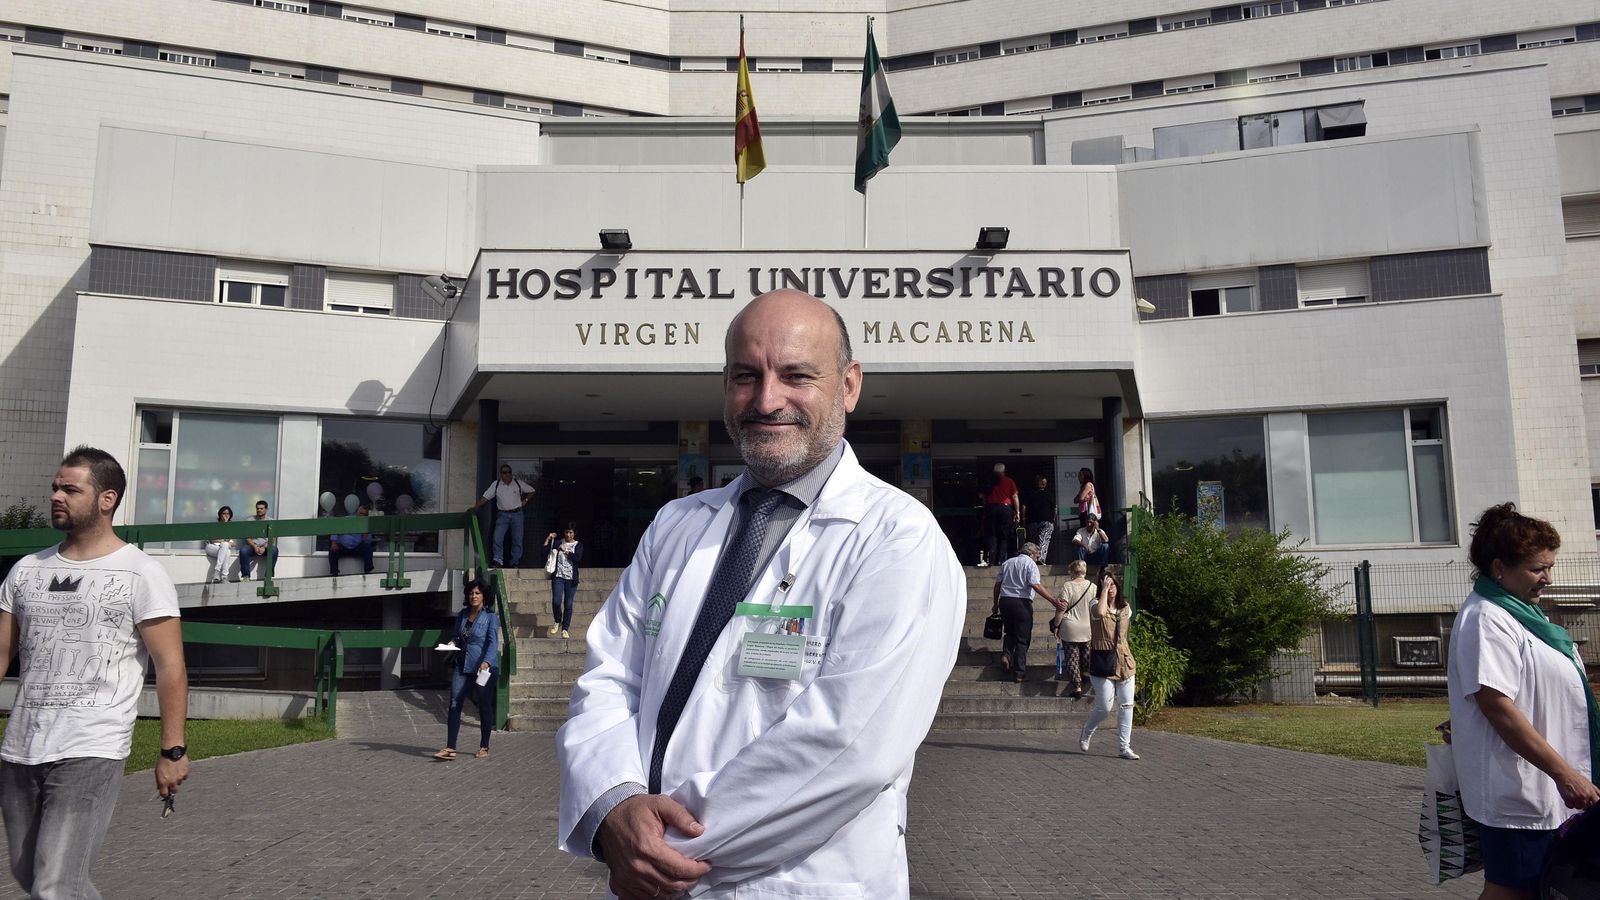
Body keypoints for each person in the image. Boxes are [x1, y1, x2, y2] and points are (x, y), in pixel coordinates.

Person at [556, 289, 965, 900]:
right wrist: (614, 806)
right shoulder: (675, 524)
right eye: (747, 376)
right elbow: (610, 677)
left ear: (849, 385)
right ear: (726, 384)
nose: (767, 399)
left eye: (797, 375)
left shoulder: (899, 539)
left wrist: (658, 849)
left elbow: (851, 748)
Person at [0, 446, 189, 898]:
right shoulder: (27, 570)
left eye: (70, 488)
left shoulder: (141, 573)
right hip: (22, 746)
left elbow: (170, 666)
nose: (56, 496)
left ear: (107, 499)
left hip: (92, 745)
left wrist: (173, 750)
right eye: (54, 488)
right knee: (31, 875)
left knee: (54, 884)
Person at [1445, 503, 1599, 899]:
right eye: (1537, 568)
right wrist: (1564, 774)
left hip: (1547, 789)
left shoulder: (1523, 614)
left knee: (1536, 888)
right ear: (1499, 567)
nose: (1547, 578)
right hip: (1523, 791)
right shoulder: (1487, 619)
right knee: (1511, 892)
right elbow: (1496, 704)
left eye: (1550, 566)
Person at [434, 578, 501, 761]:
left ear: (484, 596)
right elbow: (457, 636)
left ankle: (484, 746)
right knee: (455, 703)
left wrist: (486, 661)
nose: (474, 596)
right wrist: (452, 643)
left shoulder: (490, 617)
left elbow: (492, 642)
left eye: (477, 593)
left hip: (484, 669)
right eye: (471, 593)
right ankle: (450, 748)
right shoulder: (463, 615)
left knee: (484, 706)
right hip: (462, 665)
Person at [1080, 568, 1139, 760]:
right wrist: (1103, 590)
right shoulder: (1095, 604)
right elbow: (1100, 612)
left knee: (1127, 705)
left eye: (1112, 584)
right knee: (1105, 707)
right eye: (1107, 584)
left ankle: (1124, 747)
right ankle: (1088, 730)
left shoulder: (1125, 608)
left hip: (1125, 661)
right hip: (1103, 661)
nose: (1110, 587)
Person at [990, 542, 1061, 684]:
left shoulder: (1007, 563)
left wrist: (995, 603)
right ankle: (1019, 673)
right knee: (1023, 638)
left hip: (1005, 600)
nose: (1037, 558)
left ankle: (1007, 654)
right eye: (1037, 555)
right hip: (1022, 603)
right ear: (1031, 554)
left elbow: (997, 584)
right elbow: (1035, 584)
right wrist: (1053, 600)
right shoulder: (1030, 565)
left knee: (1009, 632)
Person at [1052, 560, 1096, 699]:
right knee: (1086, 652)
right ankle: (1086, 673)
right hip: (1088, 626)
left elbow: (1061, 608)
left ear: (1072, 571)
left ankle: (1077, 687)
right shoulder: (1093, 587)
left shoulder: (1068, 586)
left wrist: (1056, 625)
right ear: (1085, 571)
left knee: (1071, 658)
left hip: (1070, 627)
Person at [475, 464, 533, 567]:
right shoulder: (496, 485)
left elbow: (532, 490)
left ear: (511, 473)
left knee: (517, 539)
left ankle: (515, 562)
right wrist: (475, 507)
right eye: (504, 472)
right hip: (503, 515)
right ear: (500, 474)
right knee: (497, 538)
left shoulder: (517, 483)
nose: (507, 474)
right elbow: (485, 497)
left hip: (517, 514)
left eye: (509, 472)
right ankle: (498, 560)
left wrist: (526, 500)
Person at [543, 524, 584, 639]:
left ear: (574, 533)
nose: (568, 535)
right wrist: (548, 539)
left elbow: (577, 558)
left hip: (571, 579)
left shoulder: (578, 545)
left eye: (571, 532)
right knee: (556, 601)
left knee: (568, 604)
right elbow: (545, 552)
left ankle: (565, 629)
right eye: (566, 532)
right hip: (558, 577)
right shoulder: (558, 542)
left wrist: (566, 551)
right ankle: (557, 620)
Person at [981, 462, 1020, 568]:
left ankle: (991, 559)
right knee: (1004, 535)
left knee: (992, 534)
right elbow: (1015, 497)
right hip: (1005, 509)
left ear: (994, 471)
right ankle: (1002, 560)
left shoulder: (989, 481)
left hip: (991, 508)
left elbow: (982, 496)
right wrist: (1017, 512)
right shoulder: (1009, 481)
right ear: (1003, 471)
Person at [329, 506, 375, 577]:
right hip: (343, 547)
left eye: (363, 514)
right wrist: (333, 542)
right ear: (357, 512)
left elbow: (367, 542)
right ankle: (334, 572)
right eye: (360, 513)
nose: (361, 515)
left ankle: (368, 570)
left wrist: (365, 533)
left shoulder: (366, 524)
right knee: (333, 550)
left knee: (368, 548)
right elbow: (336, 527)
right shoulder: (347, 519)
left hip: (356, 548)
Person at [238, 499, 277, 580]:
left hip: (265, 546)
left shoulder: (271, 521)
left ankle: (268, 576)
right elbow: (247, 537)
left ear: (266, 509)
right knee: (243, 550)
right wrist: (254, 546)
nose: (259, 510)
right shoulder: (250, 520)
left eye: (261, 508)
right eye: (257, 508)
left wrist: (264, 547)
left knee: (274, 550)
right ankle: (246, 576)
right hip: (252, 546)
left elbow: (273, 538)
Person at [1024, 474, 1056, 563]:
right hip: (1046, 521)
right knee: (1043, 541)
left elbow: (1024, 507)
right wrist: (1053, 520)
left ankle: (1034, 559)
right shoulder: (1049, 495)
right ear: (1045, 484)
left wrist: (1024, 519)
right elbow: (1054, 508)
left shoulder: (1030, 494)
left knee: (1034, 542)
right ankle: (1040, 560)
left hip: (1032, 521)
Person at [204, 505, 236, 583]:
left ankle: (221, 575)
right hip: (211, 547)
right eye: (224, 513)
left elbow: (233, 543)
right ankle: (221, 574)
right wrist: (225, 542)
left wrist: (224, 542)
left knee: (227, 551)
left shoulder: (231, 527)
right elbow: (212, 540)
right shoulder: (215, 526)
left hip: (222, 550)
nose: (226, 515)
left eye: (228, 514)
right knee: (225, 545)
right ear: (220, 515)